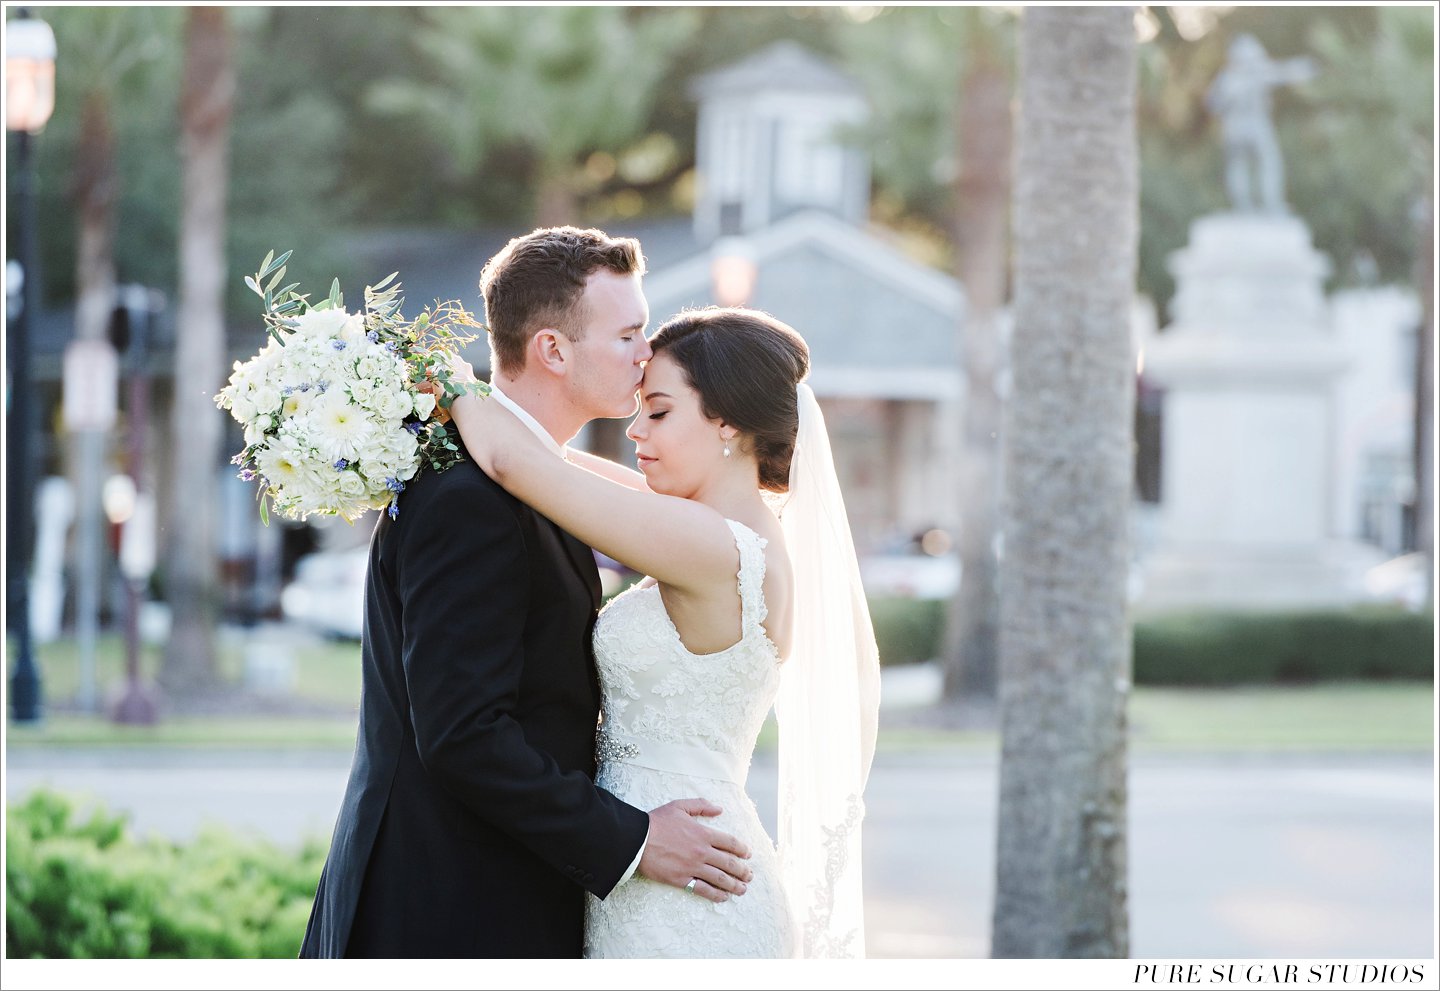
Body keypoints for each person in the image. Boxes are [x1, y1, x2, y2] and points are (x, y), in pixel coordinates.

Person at [299, 228, 756, 959]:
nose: (646, 355)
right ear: (552, 350)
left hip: (504, 895)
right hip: (448, 911)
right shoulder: (471, 498)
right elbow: (464, 734)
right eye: (629, 334)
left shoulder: (545, 483)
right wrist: (633, 838)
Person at [448, 306, 881, 958]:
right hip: (667, 865)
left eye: (659, 410)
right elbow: (551, 457)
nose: (634, 428)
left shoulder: (718, 547)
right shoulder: (725, 530)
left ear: (727, 422)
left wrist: (443, 376)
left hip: (687, 893)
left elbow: (519, 466)